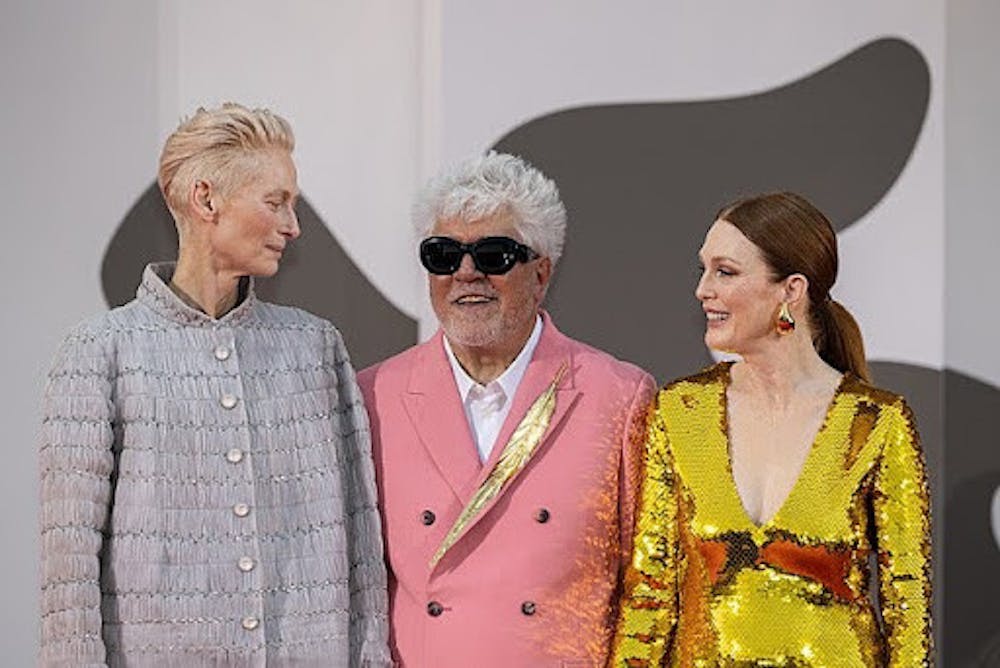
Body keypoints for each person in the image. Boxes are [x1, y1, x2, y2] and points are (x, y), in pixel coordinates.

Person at [39, 103, 390, 667]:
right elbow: (69, 572)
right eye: (275, 202)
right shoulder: (99, 352)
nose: (292, 226)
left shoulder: (316, 348)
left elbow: (361, 549)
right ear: (207, 200)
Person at [358, 152, 656, 667]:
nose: (466, 273)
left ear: (541, 273)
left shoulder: (619, 398)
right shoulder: (374, 396)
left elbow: (648, 588)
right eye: (443, 255)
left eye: (494, 255)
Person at [611, 192, 932, 666]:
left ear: (791, 290)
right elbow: (649, 597)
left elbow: (909, 611)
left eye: (725, 271)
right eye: (703, 269)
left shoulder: (877, 422)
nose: (703, 289)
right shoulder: (680, 411)